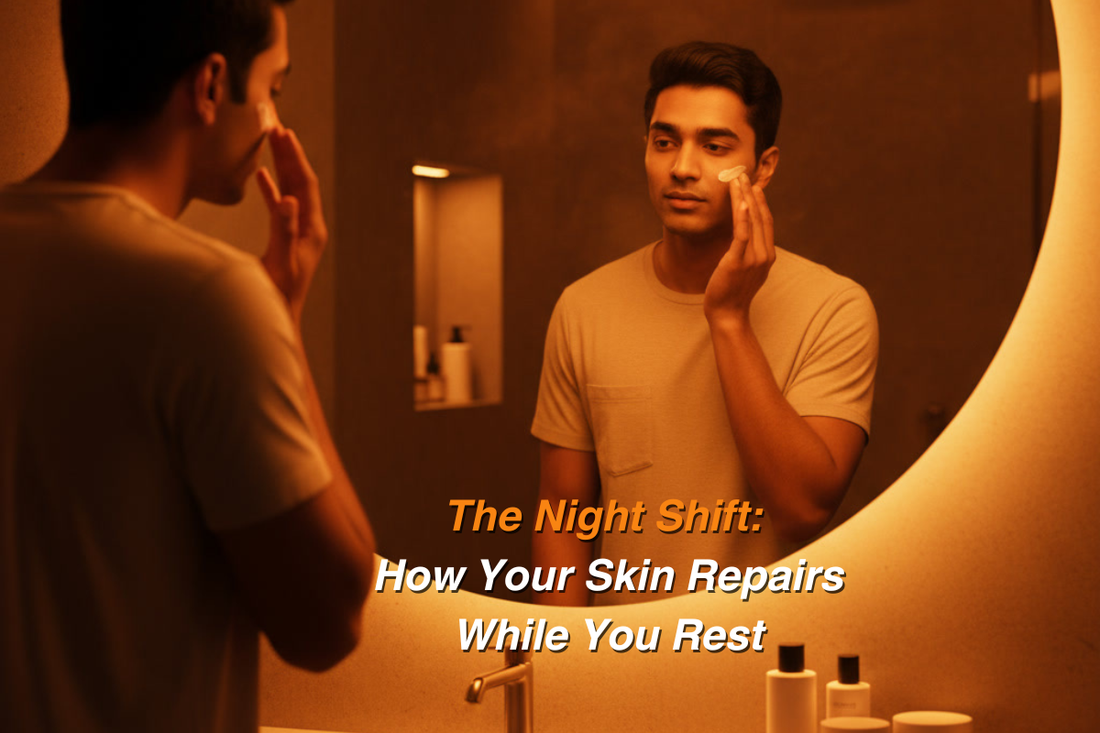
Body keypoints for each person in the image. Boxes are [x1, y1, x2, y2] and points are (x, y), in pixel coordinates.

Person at [0, 1, 376, 730]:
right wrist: (282, 318)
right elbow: (327, 620)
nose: (272, 123)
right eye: (272, 89)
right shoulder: (207, 299)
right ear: (209, 85)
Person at [531, 41, 877, 606]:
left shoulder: (834, 308)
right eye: (664, 142)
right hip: (621, 649)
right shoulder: (583, 306)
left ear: (764, 167)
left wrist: (730, 319)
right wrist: (559, 653)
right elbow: (563, 517)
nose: (682, 168)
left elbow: (802, 510)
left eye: (715, 146)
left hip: (764, 649)